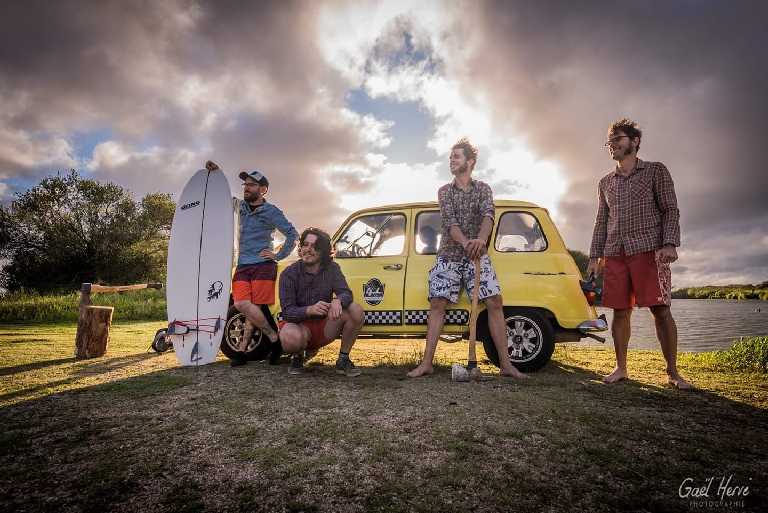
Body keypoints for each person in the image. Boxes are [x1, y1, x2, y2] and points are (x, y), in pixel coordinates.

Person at [407, 137, 527, 379]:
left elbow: (488, 216)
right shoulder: (444, 191)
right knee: (437, 303)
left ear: (470, 161)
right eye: (450, 157)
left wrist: (480, 241)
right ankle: (426, 363)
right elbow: (450, 222)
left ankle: (506, 365)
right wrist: (466, 244)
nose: (451, 160)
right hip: (449, 255)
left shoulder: (483, 189)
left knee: (494, 302)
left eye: (456, 156)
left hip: (478, 255)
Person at [587, 119, 693, 389]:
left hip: (649, 250)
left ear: (634, 141)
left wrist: (670, 243)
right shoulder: (605, 182)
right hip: (615, 252)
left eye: (617, 139)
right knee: (620, 312)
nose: (612, 145)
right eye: (609, 141)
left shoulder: (656, 171)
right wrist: (594, 257)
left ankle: (673, 372)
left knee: (661, 310)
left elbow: (670, 209)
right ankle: (621, 368)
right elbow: (601, 222)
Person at [205, 160, 298, 367]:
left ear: (263, 189)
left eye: (252, 184)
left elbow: (293, 235)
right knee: (242, 304)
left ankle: (241, 351)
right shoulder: (240, 207)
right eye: (245, 184)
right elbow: (219, 197)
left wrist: (278, 255)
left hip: (263, 265)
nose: (246, 187)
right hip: (243, 264)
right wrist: (216, 174)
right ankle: (274, 339)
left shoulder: (272, 211)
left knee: (254, 307)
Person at [278, 227, 365, 376]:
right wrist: (309, 309)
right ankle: (297, 356)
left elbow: (346, 293)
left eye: (314, 246)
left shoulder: (332, 268)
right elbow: (287, 312)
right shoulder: (289, 273)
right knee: (291, 337)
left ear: (324, 251)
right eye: (305, 244)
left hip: (325, 326)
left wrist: (338, 301)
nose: (308, 249)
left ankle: (343, 360)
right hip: (299, 327)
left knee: (355, 310)